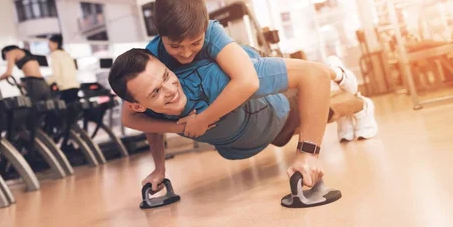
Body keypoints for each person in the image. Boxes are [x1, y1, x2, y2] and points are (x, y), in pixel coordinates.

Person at [108, 48, 378, 192]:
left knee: (325, 111)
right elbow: (143, 124)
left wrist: (309, 154)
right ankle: (345, 92)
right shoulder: (145, 110)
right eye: (155, 92)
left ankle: (361, 103)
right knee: (315, 116)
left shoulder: (206, 79)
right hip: (262, 134)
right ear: (136, 104)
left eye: (167, 76)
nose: (170, 90)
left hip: (275, 110)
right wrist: (159, 169)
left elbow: (310, 76)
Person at [47, 34, 80, 103]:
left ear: (56, 44)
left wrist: (47, 83)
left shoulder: (55, 55)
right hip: (75, 85)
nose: (48, 46)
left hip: (65, 87)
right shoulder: (67, 54)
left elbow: (56, 73)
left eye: (50, 44)